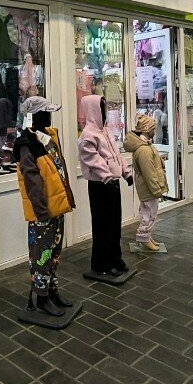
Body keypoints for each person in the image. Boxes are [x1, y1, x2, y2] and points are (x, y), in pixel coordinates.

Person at [13, 96, 76, 317]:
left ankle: (52, 290)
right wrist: (41, 211)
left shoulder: (47, 138)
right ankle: (41, 297)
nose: (49, 117)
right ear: (34, 116)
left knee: (54, 253)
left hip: (56, 206)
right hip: (42, 212)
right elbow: (31, 181)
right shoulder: (26, 145)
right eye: (45, 113)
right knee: (41, 254)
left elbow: (58, 171)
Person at [79, 95, 132, 276]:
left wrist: (126, 173)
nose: (104, 112)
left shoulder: (107, 131)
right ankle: (102, 262)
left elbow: (116, 154)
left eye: (104, 108)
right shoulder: (88, 135)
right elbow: (92, 159)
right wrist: (107, 177)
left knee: (115, 222)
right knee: (102, 224)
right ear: (92, 110)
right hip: (99, 185)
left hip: (112, 183)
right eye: (100, 108)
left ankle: (115, 257)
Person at [123, 114, 167, 252]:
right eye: (153, 128)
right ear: (147, 129)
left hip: (148, 187)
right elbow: (149, 173)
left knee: (149, 212)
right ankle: (144, 237)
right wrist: (157, 190)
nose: (154, 130)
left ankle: (146, 236)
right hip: (148, 188)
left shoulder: (146, 145)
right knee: (148, 214)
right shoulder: (144, 150)